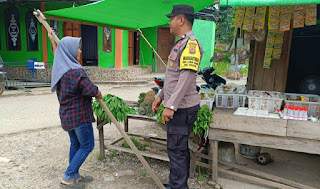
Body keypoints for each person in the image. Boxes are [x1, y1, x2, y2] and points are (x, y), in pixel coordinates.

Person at [152, 4, 204, 189]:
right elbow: (172, 77)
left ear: (181, 20)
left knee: (177, 151)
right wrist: (161, 96)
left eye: (171, 18)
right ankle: (178, 185)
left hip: (182, 109)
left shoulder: (191, 45)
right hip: (179, 107)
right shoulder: (181, 43)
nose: (169, 22)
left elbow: (187, 78)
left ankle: (178, 187)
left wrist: (171, 106)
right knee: (178, 150)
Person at [48, 29, 102, 189]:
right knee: (87, 145)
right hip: (80, 117)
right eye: (77, 48)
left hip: (66, 117)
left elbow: (57, 55)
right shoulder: (76, 72)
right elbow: (91, 90)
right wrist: (99, 91)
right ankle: (68, 176)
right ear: (69, 51)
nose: (79, 51)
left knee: (76, 145)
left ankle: (75, 175)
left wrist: (52, 41)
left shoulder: (60, 69)